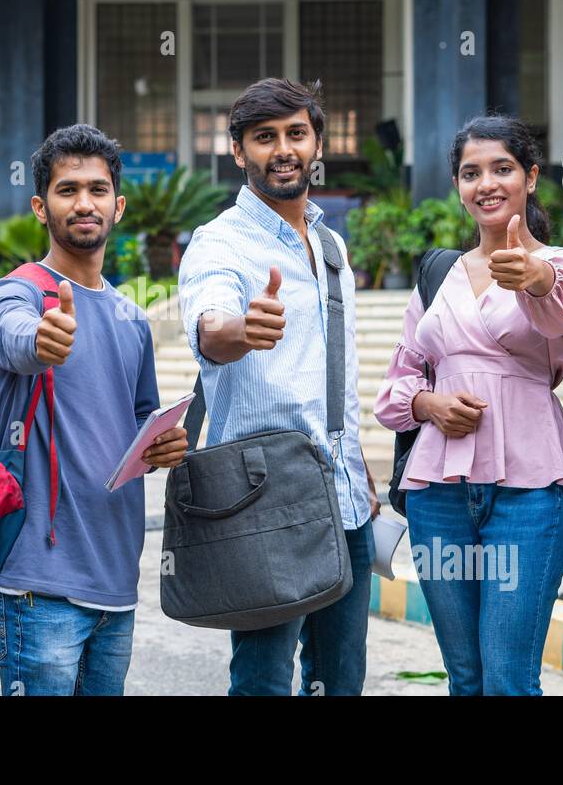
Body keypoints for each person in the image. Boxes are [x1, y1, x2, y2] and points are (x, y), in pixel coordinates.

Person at [177, 78, 379, 696]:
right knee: (264, 680)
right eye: (265, 138)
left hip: (341, 492)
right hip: (263, 495)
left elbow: (329, 370)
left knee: (341, 679)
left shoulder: (330, 243)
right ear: (239, 152)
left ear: (317, 142)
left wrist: (359, 462)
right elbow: (210, 328)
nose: (284, 149)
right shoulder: (219, 242)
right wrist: (242, 327)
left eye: (297, 133)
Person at [375, 116, 563, 695]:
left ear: (531, 177)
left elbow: (560, 310)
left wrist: (532, 275)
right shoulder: (439, 274)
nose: (487, 184)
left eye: (502, 169)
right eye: (472, 173)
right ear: (457, 184)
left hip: (530, 489)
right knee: (466, 678)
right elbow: (395, 389)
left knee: (507, 680)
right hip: (437, 495)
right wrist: (429, 404)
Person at [0, 123, 187, 696]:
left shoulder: (130, 317)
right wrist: (40, 340)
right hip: (37, 583)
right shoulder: (16, 292)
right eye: (67, 190)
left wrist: (166, 444)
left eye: (97, 190)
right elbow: (10, 338)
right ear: (40, 207)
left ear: (117, 206)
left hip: (116, 582)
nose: (84, 203)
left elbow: (142, 423)